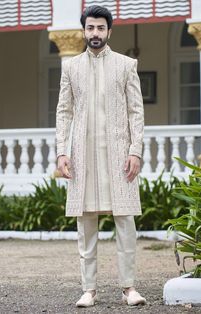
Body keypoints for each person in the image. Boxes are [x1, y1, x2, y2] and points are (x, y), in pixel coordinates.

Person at [56, 5, 145, 308]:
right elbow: (63, 112)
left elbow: (136, 111)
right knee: (86, 224)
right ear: (84, 30)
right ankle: (89, 289)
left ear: (109, 31)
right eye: (90, 28)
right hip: (83, 156)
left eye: (100, 28)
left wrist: (136, 151)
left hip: (120, 156)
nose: (95, 33)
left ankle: (129, 288)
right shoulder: (71, 67)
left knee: (125, 222)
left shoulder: (125, 65)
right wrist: (61, 152)